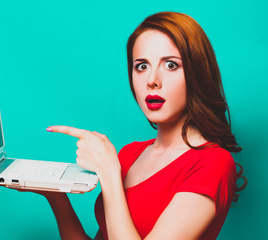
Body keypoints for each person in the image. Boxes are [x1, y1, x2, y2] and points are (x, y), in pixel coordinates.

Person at [15, 11, 246, 240]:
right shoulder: (129, 155)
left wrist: (108, 172)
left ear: (197, 73)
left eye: (171, 65)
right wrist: (56, 197)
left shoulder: (212, 164)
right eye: (142, 66)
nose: (152, 80)